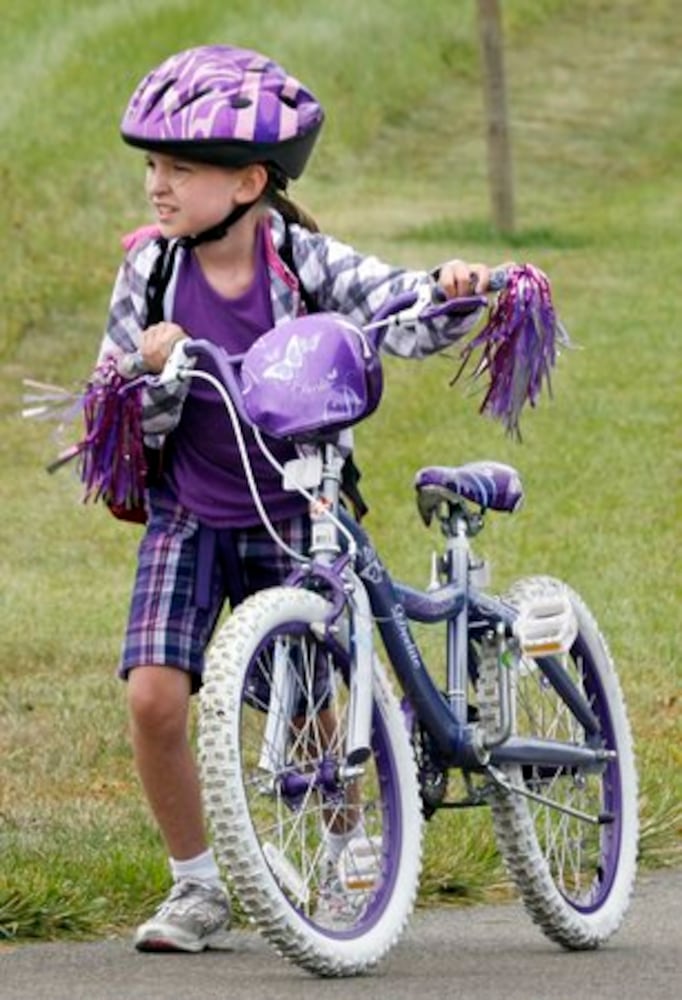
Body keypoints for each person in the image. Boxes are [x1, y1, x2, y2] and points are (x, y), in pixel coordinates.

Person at [99, 44, 502, 953]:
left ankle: (345, 840)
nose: (157, 187)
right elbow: (112, 397)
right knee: (156, 697)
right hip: (190, 508)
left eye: (180, 169)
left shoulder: (305, 266)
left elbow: (395, 306)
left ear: (249, 182)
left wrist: (449, 289)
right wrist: (148, 374)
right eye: (152, 167)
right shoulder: (151, 274)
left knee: (319, 697)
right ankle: (197, 884)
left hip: (295, 509)